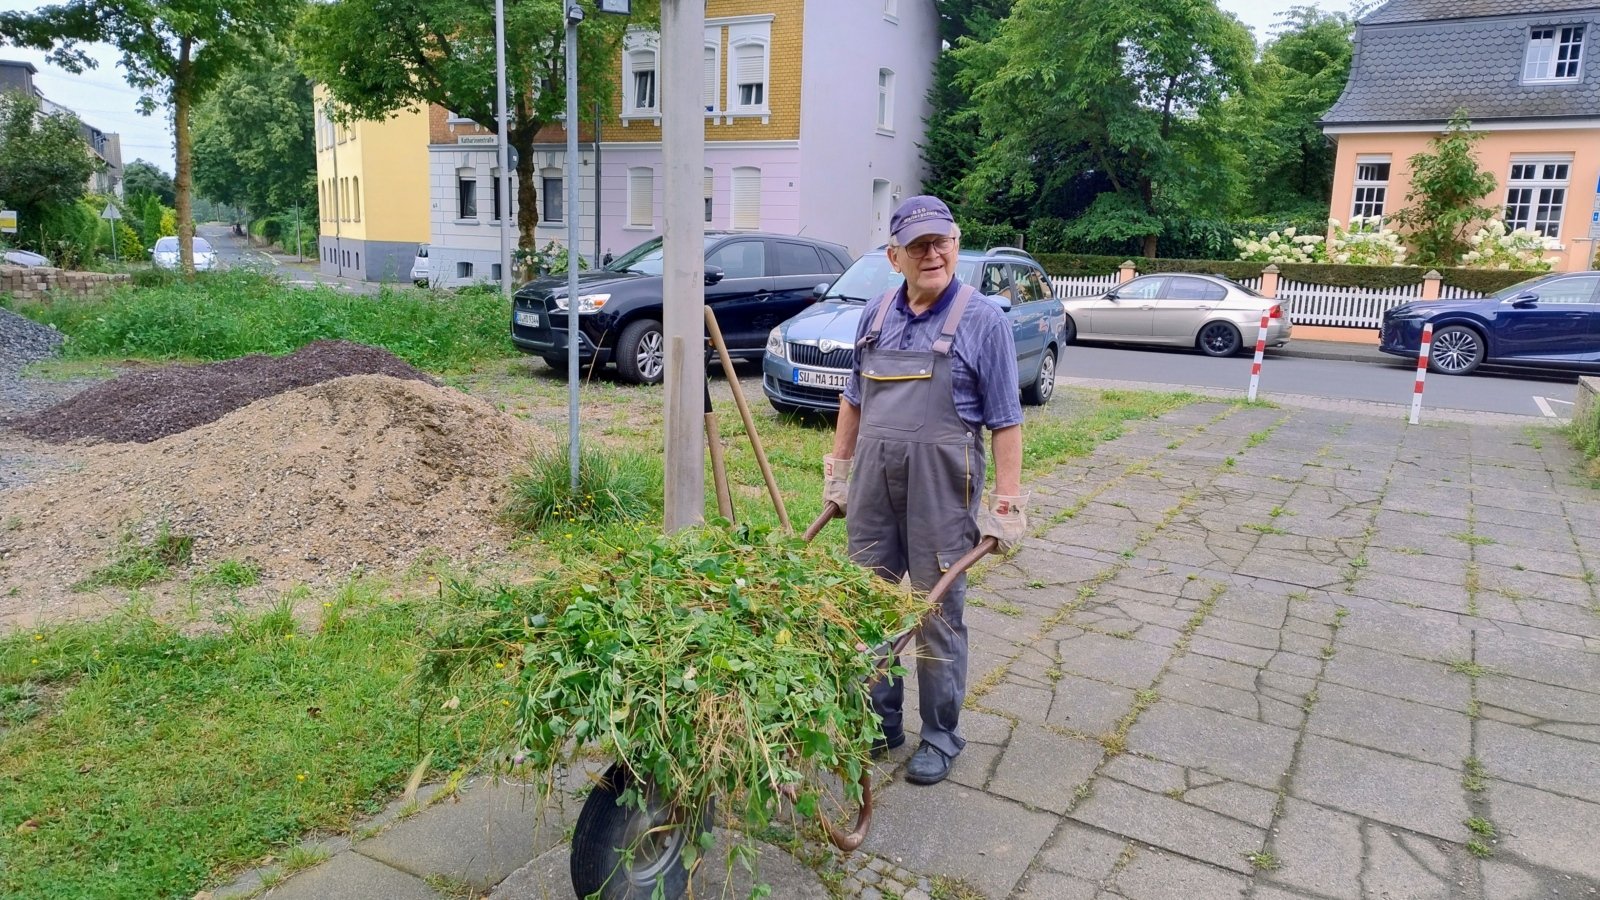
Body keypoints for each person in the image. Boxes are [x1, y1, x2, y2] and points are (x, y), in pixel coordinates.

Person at [822, 195, 1028, 786]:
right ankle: (877, 721)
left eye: (941, 242)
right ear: (895, 257)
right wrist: (839, 472)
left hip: (942, 487)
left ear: (956, 246)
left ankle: (940, 733)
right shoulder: (876, 315)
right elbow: (854, 399)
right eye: (918, 246)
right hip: (872, 488)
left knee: (936, 611)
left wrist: (1007, 504)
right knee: (865, 606)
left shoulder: (981, 319)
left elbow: (1006, 419)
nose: (932, 253)